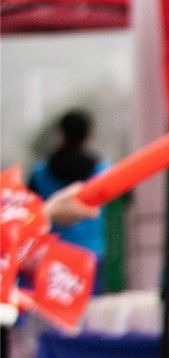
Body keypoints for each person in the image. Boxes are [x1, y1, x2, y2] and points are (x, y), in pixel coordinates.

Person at [28, 109, 109, 268]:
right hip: (92, 253)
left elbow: (30, 207)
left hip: (52, 253)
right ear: (88, 134)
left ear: (61, 134)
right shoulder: (102, 171)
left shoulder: (40, 173)